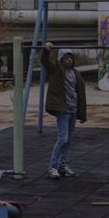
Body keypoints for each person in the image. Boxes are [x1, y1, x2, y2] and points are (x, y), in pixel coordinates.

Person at [42, 42, 86, 179]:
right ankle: (53, 166)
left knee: (68, 140)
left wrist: (82, 114)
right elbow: (45, 62)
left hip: (73, 109)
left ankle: (62, 165)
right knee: (63, 138)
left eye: (71, 58)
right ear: (61, 59)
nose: (69, 60)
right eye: (67, 58)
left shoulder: (76, 73)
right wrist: (46, 51)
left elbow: (81, 94)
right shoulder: (56, 70)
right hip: (63, 109)